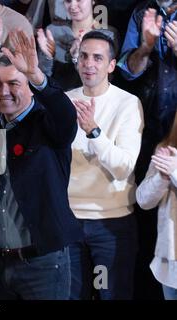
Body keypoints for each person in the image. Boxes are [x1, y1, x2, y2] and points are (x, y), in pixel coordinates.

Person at [0, 30, 83, 300]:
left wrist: (37, 76)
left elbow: (65, 114)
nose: (3, 92)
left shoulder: (47, 120)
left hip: (43, 263)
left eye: (14, 83)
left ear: (31, 88)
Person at [66, 30, 143, 299]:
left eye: (98, 58)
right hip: (69, 221)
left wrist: (94, 132)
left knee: (111, 296)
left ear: (111, 65)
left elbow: (123, 167)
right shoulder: (65, 101)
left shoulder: (128, 103)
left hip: (111, 225)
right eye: (84, 56)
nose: (89, 64)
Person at [117, 0, 177, 299]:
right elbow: (127, 71)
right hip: (151, 132)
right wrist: (146, 46)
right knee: (150, 215)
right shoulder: (142, 13)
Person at [136, 111, 177, 300]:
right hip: (169, 265)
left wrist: (175, 172)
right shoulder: (166, 149)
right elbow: (144, 201)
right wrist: (162, 177)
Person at [37, 0, 119, 91]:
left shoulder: (108, 34)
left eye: (79, 0)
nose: (72, 6)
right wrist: (47, 57)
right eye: (68, 1)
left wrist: (77, 58)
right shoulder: (53, 31)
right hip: (56, 96)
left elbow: (104, 80)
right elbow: (41, 78)